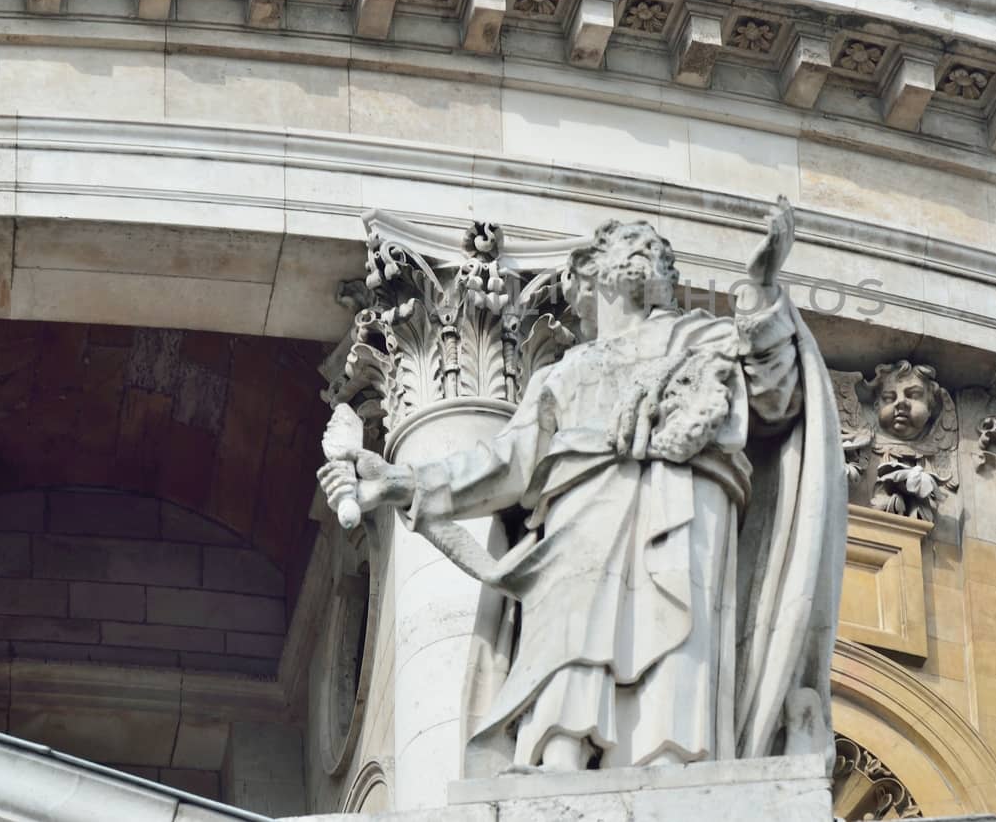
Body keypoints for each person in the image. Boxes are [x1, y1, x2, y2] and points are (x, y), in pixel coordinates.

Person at [319, 199, 845, 775]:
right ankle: (559, 764)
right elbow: (503, 465)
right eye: (631, 248)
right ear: (594, 277)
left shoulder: (705, 338)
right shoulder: (561, 374)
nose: (647, 258)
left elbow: (776, 397)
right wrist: (402, 480)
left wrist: (763, 291)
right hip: (579, 516)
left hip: (681, 504)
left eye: (653, 253)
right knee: (565, 644)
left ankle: (670, 770)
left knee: (674, 640)